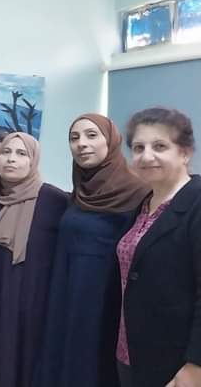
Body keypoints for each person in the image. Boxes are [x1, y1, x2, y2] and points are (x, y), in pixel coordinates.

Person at [35, 114, 149, 387]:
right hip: (66, 295)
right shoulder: (80, 192)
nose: (81, 144)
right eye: (74, 138)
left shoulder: (139, 193)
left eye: (91, 135)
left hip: (104, 301)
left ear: (111, 141)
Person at [0, 132, 69, 387]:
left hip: (30, 304)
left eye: (21, 153)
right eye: (6, 152)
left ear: (33, 160)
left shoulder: (53, 200)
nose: (11, 159)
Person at [116, 108, 201, 387]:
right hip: (130, 351)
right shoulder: (142, 205)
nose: (146, 156)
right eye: (138, 148)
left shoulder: (196, 204)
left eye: (160, 146)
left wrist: (196, 366)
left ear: (185, 153)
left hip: (177, 361)